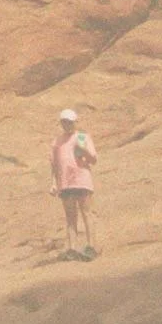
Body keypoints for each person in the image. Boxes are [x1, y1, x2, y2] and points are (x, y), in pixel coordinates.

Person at [49, 108, 98, 261]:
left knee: (86, 212)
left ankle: (91, 246)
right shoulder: (57, 142)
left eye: (70, 122)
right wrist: (53, 183)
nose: (67, 125)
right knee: (70, 216)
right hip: (65, 183)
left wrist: (83, 151)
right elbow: (54, 165)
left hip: (81, 179)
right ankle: (72, 248)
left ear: (75, 122)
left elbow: (92, 160)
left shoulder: (82, 137)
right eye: (64, 122)